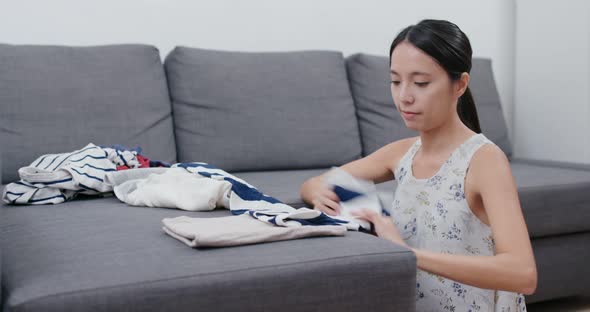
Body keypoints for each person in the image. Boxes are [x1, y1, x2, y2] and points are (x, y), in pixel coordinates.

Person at [299, 19, 536, 311]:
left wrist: (407, 253)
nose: (404, 96)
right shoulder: (400, 154)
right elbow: (317, 182)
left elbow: (523, 273)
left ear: (460, 84)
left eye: (421, 83)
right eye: (396, 81)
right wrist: (315, 193)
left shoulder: (485, 161)